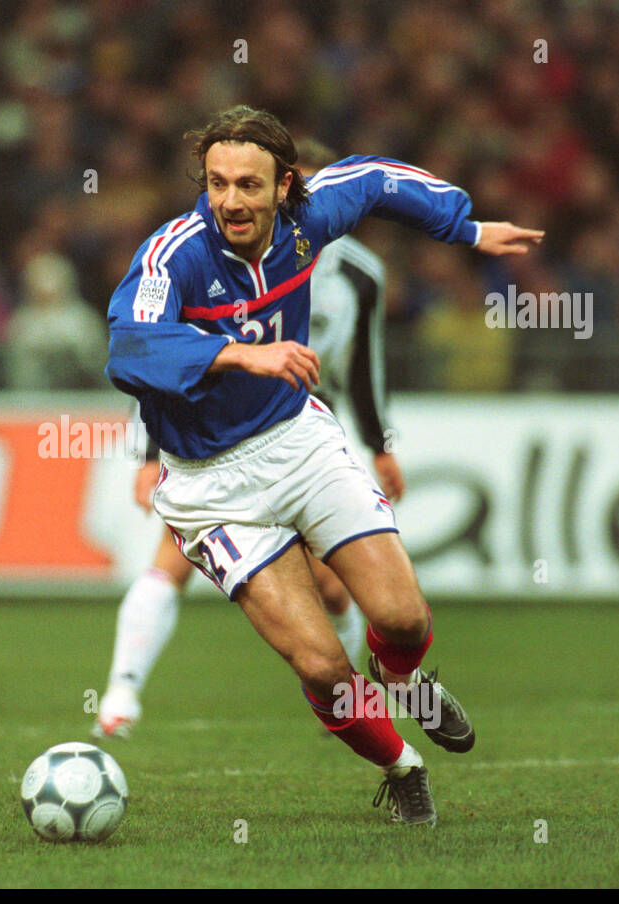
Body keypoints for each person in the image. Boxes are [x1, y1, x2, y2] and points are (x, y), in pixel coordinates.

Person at [105, 106, 543, 825]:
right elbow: (128, 346)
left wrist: (463, 227)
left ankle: (403, 680)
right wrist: (240, 353)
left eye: (249, 184)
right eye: (217, 183)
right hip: (211, 486)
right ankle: (401, 767)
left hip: (298, 443)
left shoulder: (311, 220)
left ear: (286, 187)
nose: (230, 201)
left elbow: (374, 180)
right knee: (319, 665)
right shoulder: (173, 255)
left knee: (402, 618)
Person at [94, 140, 403, 740]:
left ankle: (351, 703)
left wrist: (381, 442)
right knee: (170, 561)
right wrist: (149, 451)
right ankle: (120, 694)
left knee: (336, 588)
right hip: (211, 436)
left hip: (302, 434)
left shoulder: (360, 274)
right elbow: (163, 352)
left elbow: (364, 364)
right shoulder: (215, 256)